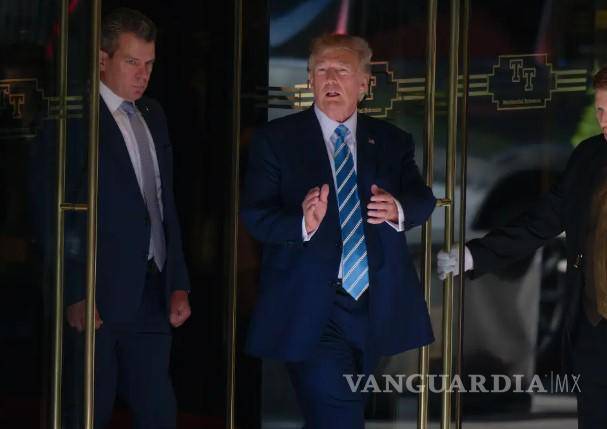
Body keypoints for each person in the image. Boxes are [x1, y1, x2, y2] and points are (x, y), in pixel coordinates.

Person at [241, 33, 436, 428]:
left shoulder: (392, 141)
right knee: (340, 416)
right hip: (311, 307)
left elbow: (422, 198)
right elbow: (256, 216)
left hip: (373, 306)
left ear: (364, 84)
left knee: (333, 413)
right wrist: (302, 222)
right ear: (310, 80)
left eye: (342, 71)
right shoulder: (276, 140)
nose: (330, 79)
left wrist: (398, 208)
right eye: (321, 70)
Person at [437, 66, 607, 428]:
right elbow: (542, 220)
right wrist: (476, 254)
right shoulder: (589, 156)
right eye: (600, 111)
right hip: (594, 329)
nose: (604, 121)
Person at [64, 8, 191, 429]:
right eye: (132, 62)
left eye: (149, 64)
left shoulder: (153, 113)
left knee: (159, 411)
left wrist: (177, 282)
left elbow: (163, 204)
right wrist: (74, 291)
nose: (143, 74)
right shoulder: (75, 115)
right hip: (97, 293)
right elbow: (57, 212)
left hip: (152, 291)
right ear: (103, 60)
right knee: (91, 410)